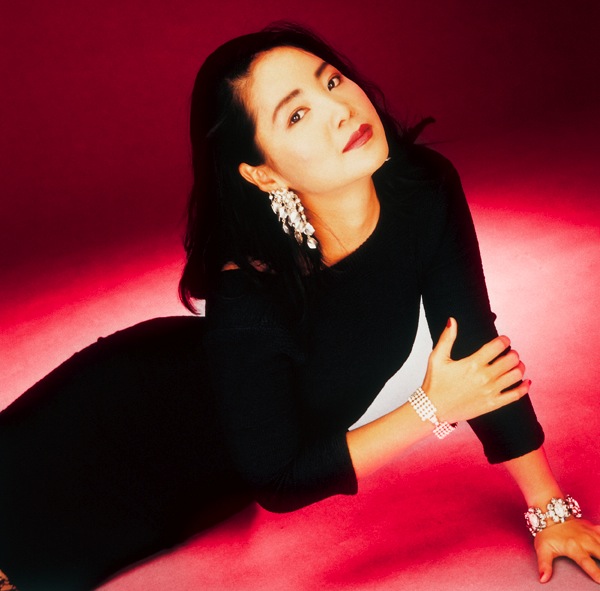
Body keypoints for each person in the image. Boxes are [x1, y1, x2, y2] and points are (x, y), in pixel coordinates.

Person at [1, 22, 599, 591]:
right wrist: (432, 407)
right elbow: (281, 480)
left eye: (331, 80)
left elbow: (475, 351)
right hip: (111, 423)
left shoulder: (424, 189)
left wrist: (550, 510)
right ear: (263, 174)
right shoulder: (251, 288)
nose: (339, 109)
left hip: (203, 487)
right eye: (296, 113)